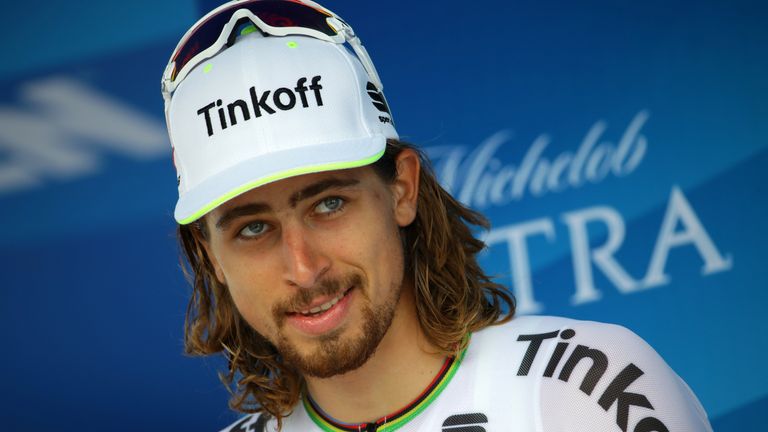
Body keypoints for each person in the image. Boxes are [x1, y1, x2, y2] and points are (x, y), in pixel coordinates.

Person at [161, 1, 714, 431]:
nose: (304, 268)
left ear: (402, 189)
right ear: (211, 256)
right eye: (253, 228)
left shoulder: (589, 391)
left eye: (329, 204)